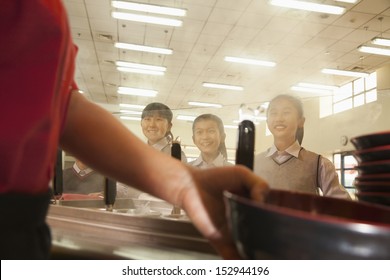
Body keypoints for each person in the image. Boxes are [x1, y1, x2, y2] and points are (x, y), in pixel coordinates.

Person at [0, 1, 269, 260]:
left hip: (22, 227)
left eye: (158, 120)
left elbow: (64, 106)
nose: (152, 125)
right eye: (147, 119)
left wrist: (186, 184)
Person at [254, 94, 350, 199]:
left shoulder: (319, 163)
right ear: (267, 122)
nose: (279, 118)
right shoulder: (254, 163)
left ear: (301, 121)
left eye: (286, 112)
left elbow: (342, 205)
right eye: (273, 113)